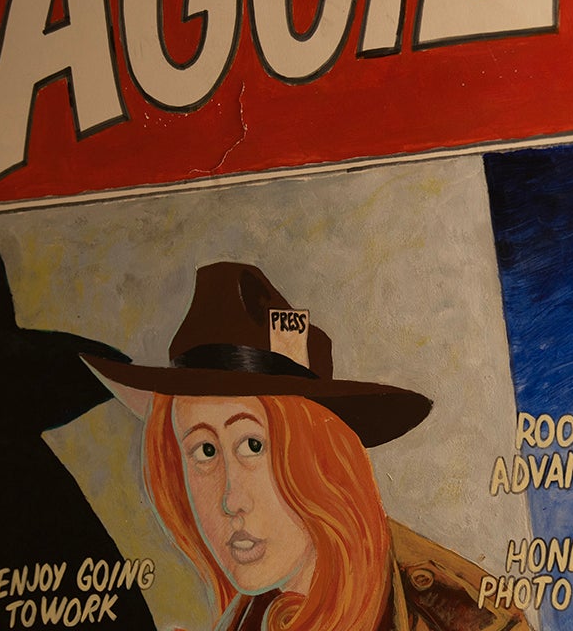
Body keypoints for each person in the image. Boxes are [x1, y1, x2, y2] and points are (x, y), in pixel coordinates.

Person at [84, 261, 530, 631]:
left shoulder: (465, 620)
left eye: (253, 445)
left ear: (325, 458)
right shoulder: (255, 615)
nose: (229, 499)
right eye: (204, 451)